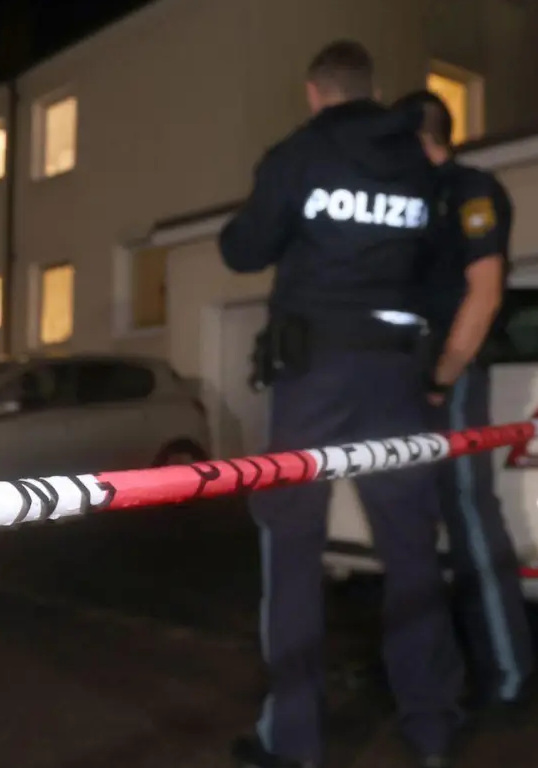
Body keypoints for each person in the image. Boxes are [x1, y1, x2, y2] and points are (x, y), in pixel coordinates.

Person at [220, 40, 462, 768]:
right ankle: (432, 729)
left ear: (313, 91)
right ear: (371, 88)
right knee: (411, 551)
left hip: (315, 371)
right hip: (394, 370)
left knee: (292, 548)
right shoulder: (419, 166)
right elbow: (436, 265)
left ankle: (293, 743)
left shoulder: (298, 155)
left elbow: (243, 248)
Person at [393, 89, 534, 723]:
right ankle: (436, 676)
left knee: (470, 517)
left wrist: (443, 376)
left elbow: (484, 294)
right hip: (404, 373)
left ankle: (507, 676)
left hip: (447, 372)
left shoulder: (472, 190)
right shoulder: (410, 200)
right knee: (415, 526)